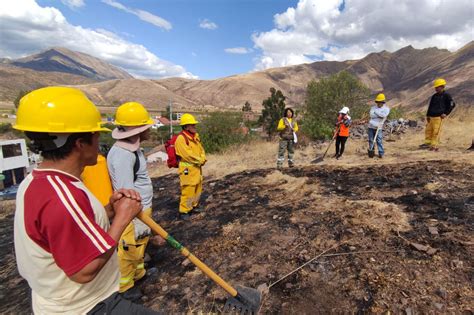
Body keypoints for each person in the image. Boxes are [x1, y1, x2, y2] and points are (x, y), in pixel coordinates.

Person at [13, 87, 159, 314]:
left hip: (69, 301)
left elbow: (71, 226)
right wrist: (121, 219)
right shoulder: (61, 196)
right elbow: (85, 270)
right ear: (80, 143)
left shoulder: (41, 182)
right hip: (87, 306)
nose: (100, 140)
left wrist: (108, 210)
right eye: (96, 134)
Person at [107, 102, 155, 300]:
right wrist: (134, 216)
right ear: (138, 130)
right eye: (147, 126)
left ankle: (139, 274)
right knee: (129, 249)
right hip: (133, 212)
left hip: (141, 210)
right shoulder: (123, 155)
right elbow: (126, 192)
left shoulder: (133, 150)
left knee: (139, 245)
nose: (150, 129)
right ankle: (125, 288)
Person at [175, 113, 206, 220]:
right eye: (192, 125)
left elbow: (201, 149)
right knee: (188, 189)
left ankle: (194, 206)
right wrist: (200, 160)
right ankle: (184, 211)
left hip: (197, 168)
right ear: (186, 126)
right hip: (187, 169)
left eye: (194, 125)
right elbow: (186, 155)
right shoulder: (181, 139)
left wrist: (203, 157)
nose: (194, 127)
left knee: (197, 188)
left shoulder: (195, 137)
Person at [420, 78, 456, 151]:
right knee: (428, 130)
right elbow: (430, 106)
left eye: (437, 87)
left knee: (436, 131)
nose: (436, 88)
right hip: (431, 117)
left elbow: (452, 105)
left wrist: (446, 113)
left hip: (438, 117)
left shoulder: (447, 95)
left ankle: (434, 145)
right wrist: (428, 115)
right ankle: (427, 143)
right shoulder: (434, 96)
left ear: (442, 87)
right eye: (435, 87)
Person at [368, 93, 390, 158]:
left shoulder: (386, 109)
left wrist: (376, 113)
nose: (378, 104)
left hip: (379, 127)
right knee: (371, 140)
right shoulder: (373, 108)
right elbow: (371, 115)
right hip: (371, 126)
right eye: (377, 102)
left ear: (383, 102)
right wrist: (379, 115)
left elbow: (384, 115)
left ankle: (381, 153)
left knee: (379, 140)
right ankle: (372, 152)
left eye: (380, 102)